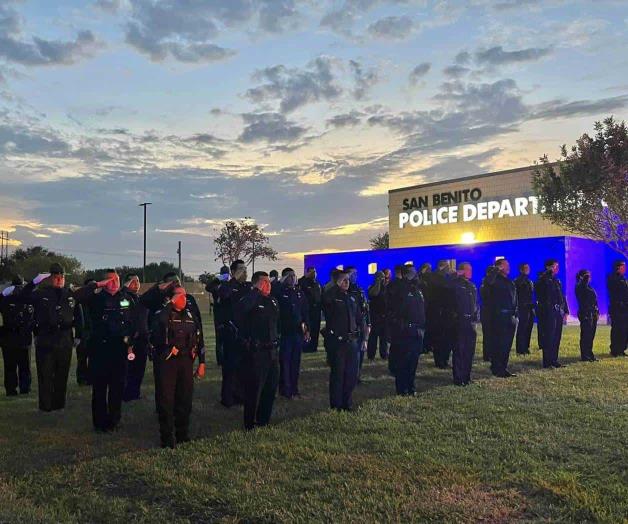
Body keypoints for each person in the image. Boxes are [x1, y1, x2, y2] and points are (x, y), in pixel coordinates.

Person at [72, 270, 138, 432]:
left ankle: (114, 420)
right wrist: (99, 285)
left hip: (120, 348)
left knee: (117, 387)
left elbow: (133, 321)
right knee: (100, 387)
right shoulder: (95, 298)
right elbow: (76, 296)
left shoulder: (126, 298)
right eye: (110, 280)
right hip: (100, 348)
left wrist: (131, 342)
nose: (114, 282)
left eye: (116, 279)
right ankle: (100, 422)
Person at [20, 264, 81, 412]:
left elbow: (79, 315)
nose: (59, 279)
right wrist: (34, 282)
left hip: (65, 338)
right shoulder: (41, 293)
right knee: (45, 373)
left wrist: (78, 335)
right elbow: (23, 296)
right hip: (46, 338)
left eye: (62, 277)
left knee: (62, 373)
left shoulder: (70, 294)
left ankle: (58, 404)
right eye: (56, 277)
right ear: (50, 278)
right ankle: (46, 405)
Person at [152, 285, 205, 448]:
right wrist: (170, 304)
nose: (184, 298)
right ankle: (167, 437)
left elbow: (199, 337)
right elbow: (159, 325)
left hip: (186, 361)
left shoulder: (190, 315)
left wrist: (201, 362)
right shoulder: (162, 314)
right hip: (168, 361)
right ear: (171, 298)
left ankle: (183, 434)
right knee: (166, 399)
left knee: (185, 398)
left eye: (185, 295)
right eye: (180, 296)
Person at [235, 271, 280, 430]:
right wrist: (255, 291)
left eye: (269, 282)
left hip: (272, 351)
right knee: (254, 389)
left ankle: (263, 420)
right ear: (256, 283)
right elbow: (241, 310)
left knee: (271, 387)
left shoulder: (272, 301)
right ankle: (250, 423)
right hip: (257, 352)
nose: (268, 285)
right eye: (264, 282)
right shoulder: (250, 299)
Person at [322, 270, 365, 411]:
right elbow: (325, 301)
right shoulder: (332, 296)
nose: (346, 282)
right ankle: (336, 405)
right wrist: (335, 286)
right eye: (343, 280)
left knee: (351, 375)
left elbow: (359, 318)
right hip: (338, 342)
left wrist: (363, 337)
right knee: (338, 374)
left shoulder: (351, 297)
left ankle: (347, 403)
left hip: (352, 341)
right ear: (336, 282)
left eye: (347, 279)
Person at [215, 260, 250, 407]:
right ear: (234, 271)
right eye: (241, 269)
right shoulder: (227, 286)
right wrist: (234, 279)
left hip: (244, 333)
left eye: (245, 269)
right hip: (230, 333)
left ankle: (240, 395)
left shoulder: (247, 287)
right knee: (230, 368)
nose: (245, 271)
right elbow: (223, 295)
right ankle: (227, 398)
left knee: (243, 367)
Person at [387, 265, 425, 395]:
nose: (416, 274)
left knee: (413, 361)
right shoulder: (399, 288)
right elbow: (394, 309)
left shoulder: (416, 289)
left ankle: (411, 387)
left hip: (417, 329)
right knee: (403, 361)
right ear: (407, 273)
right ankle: (402, 389)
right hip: (404, 330)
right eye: (413, 272)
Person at [276, 268, 309, 399]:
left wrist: (307, 329)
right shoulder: (279, 292)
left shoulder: (299, 293)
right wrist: (280, 282)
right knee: (285, 362)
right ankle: (285, 390)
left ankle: (294, 388)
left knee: (295, 362)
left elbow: (305, 312)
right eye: (289, 276)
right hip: (285, 333)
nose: (293, 278)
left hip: (298, 332)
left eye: (294, 276)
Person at [0, 276, 33, 396]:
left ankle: (19, 388)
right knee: (14, 366)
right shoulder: (6, 301)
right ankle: (15, 389)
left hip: (19, 336)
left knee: (18, 366)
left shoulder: (26, 300)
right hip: (11, 336)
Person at [486, 259, 518, 378]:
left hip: (510, 316)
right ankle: (496, 368)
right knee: (499, 343)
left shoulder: (509, 281)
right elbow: (488, 282)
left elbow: (515, 298)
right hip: (499, 316)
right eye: (506, 265)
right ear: (499, 267)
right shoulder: (494, 280)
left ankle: (503, 367)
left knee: (507, 344)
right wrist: (495, 270)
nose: (508, 267)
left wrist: (516, 312)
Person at [536, 259, 568, 368]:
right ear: (548, 267)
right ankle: (547, 361)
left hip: (558, 311)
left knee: (556, 336)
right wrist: (547, 275)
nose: (557, 269)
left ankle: (554, 359)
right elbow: (541, 290)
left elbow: (561, 296)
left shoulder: (556, 281)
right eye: (555, 266)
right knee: (549, 336)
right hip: (548, 311)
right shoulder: (543, 279)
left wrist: (565, 310)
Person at [450, 262, 479, 386]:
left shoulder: (472, 286)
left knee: (469, 351)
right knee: (459, 350)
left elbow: (475, 303)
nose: (470, 272)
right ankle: (458, 377)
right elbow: (446, 288)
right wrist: (455, 275)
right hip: (459, 321)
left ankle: (467, 376)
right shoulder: (455, 284)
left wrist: (476, 316)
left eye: (471, 269)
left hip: (470, 321)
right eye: (468, 269)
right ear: (461, 271)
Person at [122, 273, 149, 401]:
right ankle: (126, 394)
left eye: (138, 281)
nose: (137, 283)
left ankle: (136, 393)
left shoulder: (140, 298)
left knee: (140, 367)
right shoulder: (124, 298)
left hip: (142, 339)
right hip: (130, 340)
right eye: (133, 281)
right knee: (129, 368)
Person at [346, 266, 370, 382]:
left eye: (356, 274)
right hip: (351, 326)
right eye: (352, 274)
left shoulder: (359, 290)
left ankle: (357, 375)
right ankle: (352, 376)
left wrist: (368, 323)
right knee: (352, 355)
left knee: (361, 352)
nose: (354, 276)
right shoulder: (345, 291)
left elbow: (365, 308)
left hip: (361, 324)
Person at [430, 260, 455, 369]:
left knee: (447, 338)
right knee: (440, 338)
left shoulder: (442, 277)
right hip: (438, 312)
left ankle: (444, 359)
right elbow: (444, 288)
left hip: (445, 311)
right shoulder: (436, 277)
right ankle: (440, 361)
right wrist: (451, 277)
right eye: (447, 266)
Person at [205, 266, 230, 366]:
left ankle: (224, 358)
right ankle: (220, 360)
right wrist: (217, 280)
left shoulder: (228, 285)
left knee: (224, 338)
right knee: (220, 339)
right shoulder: (217, 285)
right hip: (219, 314)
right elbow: (208, 287)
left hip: (225, 313)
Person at [74, 278, 96, 385]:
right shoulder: (80, 302)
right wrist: (78, 335)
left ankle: (91, 378)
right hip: (83, 333)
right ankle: (82, 378)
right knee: (82, 358)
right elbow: (78, 320)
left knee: (93, 358)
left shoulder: (96, 300)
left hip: (93, 332)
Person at [575, 269, 599, 362]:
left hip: (593, 312)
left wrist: (597, 311)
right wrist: (584, 280)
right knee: (586, 334)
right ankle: (585, 355)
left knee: (591, 335)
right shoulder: (579, 286)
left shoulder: (589, 286)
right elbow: (582, 294)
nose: (588, 278)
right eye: (586, 276)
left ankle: (590, 353)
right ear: (581, 277)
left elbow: (594, 299)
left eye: (589, 276)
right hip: (585, 313)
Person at [367, 269, 390, 361]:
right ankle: (371, 355)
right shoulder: (372, 288)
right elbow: (373, 294)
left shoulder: (386, 288)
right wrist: (378, 283)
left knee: (384, 337)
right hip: (375, 316)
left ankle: (384, 354)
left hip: (384, 316)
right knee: (373, 337)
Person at [299, 267, 322, 353]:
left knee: (316, 329)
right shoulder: (302, 282)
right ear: (307, 272)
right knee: (307, 329)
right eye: (312, 272)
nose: (314, 274)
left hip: (317, 311)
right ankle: (306, 347)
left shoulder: (317, 283)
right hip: (308, 311)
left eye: (315, 272)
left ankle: (313, 347)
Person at [607, 260, 627, 357]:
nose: (625, 268)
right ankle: (614, 349)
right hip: (617, 309)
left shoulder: (623, 278)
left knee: (624, 329)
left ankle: (622, 349)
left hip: (625, 309)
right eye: (623, 267)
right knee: (616, 329)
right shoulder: (612, 278)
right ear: (618, 267)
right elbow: (613, 293)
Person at [514, 263, 534, 355]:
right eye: (526, 268)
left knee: (529, 327)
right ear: (521, 270)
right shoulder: (518, 281)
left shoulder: (529, 281)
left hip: (530, 307)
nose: (528, 269)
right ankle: (520, 348)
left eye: (528, 267)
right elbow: (516, 296)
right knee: (522, 327)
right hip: (522, 307)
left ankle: (526, 347)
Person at [479, 267, 495, 363]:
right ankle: (487, 355)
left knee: (491, 334)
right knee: (488, 334)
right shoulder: (485, 284)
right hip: (487, 312)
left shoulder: (487, 284)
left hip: (489, 311)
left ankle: (490, 354)